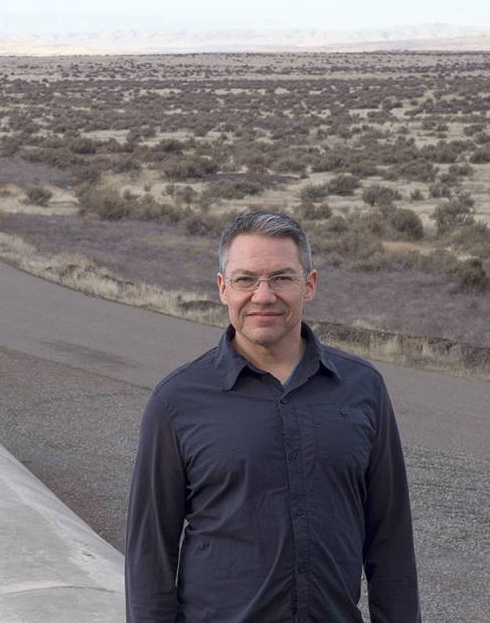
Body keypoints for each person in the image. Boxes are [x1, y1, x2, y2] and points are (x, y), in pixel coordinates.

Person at [125, 211, 420, 622]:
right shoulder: (176, 401)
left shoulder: (363, 388)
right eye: (246, 279)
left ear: (309, 284)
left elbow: (391, 542)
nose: (263, 296)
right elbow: (149, 554)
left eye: (282, 278)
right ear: (223, 288)